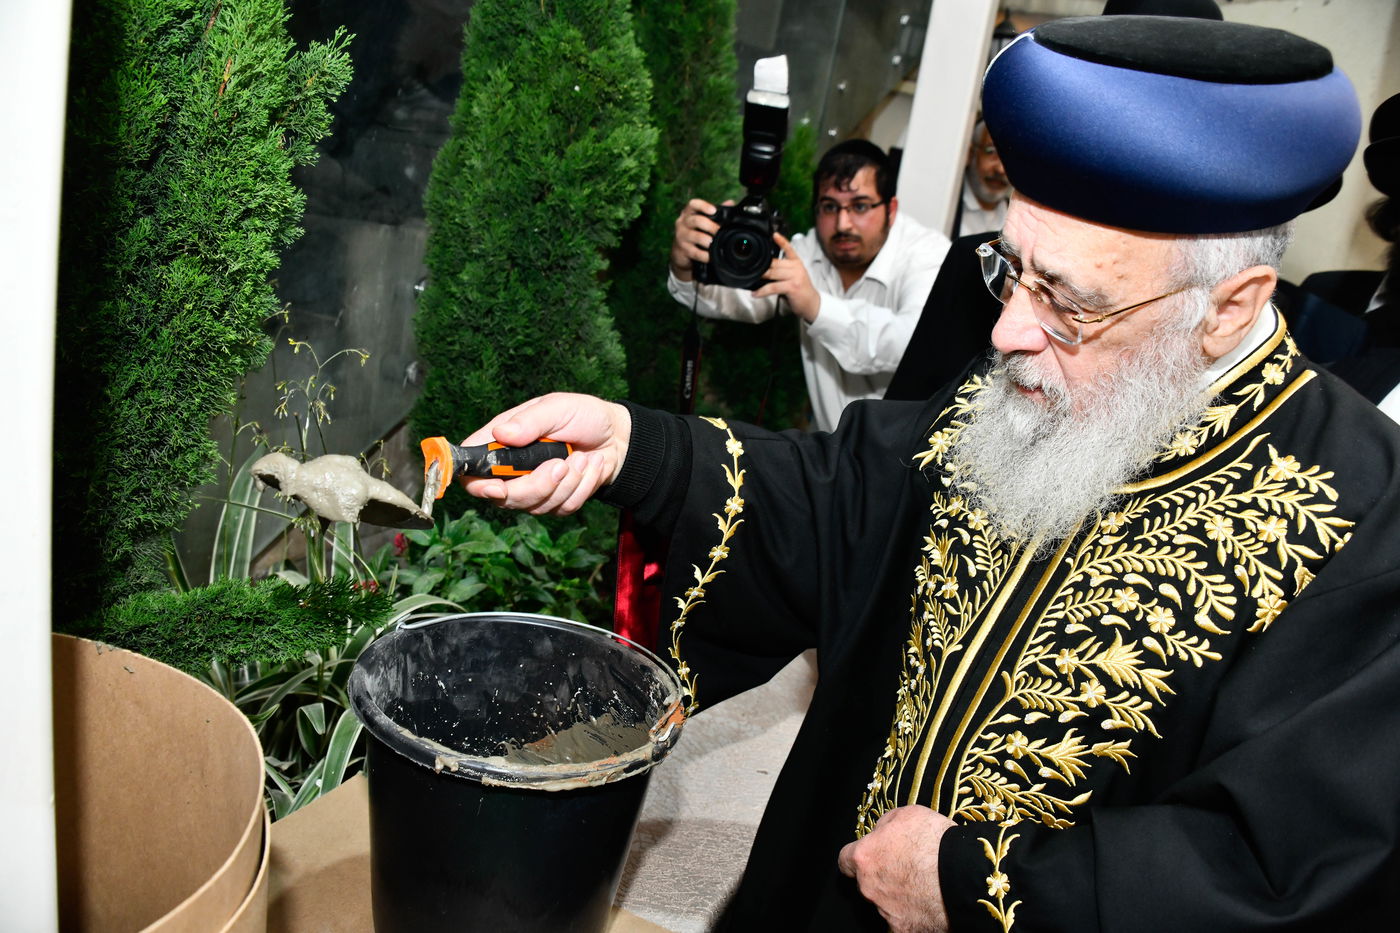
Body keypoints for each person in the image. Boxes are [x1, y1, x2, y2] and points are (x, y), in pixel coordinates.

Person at [461, 16, 1397, 932]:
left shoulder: (1364, 523)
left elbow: (1283, 872)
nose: (1007, 332)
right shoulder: (1037, 379)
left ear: (1230, 307)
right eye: (1013, 271)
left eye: (1067, 301)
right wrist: (639, 448)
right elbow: (843, 498)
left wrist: (975, 885)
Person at [668, 139, 949, 432]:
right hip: (835, 453)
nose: (843, 224)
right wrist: (686, 265)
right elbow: (736, 300)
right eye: (830, 207)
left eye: (860, 206)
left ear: (891, 209)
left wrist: (816, 306)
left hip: (914, 455)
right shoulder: (805, 253)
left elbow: (911, 343)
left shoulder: (928, 254)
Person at [951, 120, 1010, 238]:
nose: (1001, 169)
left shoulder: (1018, 219)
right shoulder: (947, 207)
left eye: (1011, 158)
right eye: (991, 152)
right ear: (971, 153)